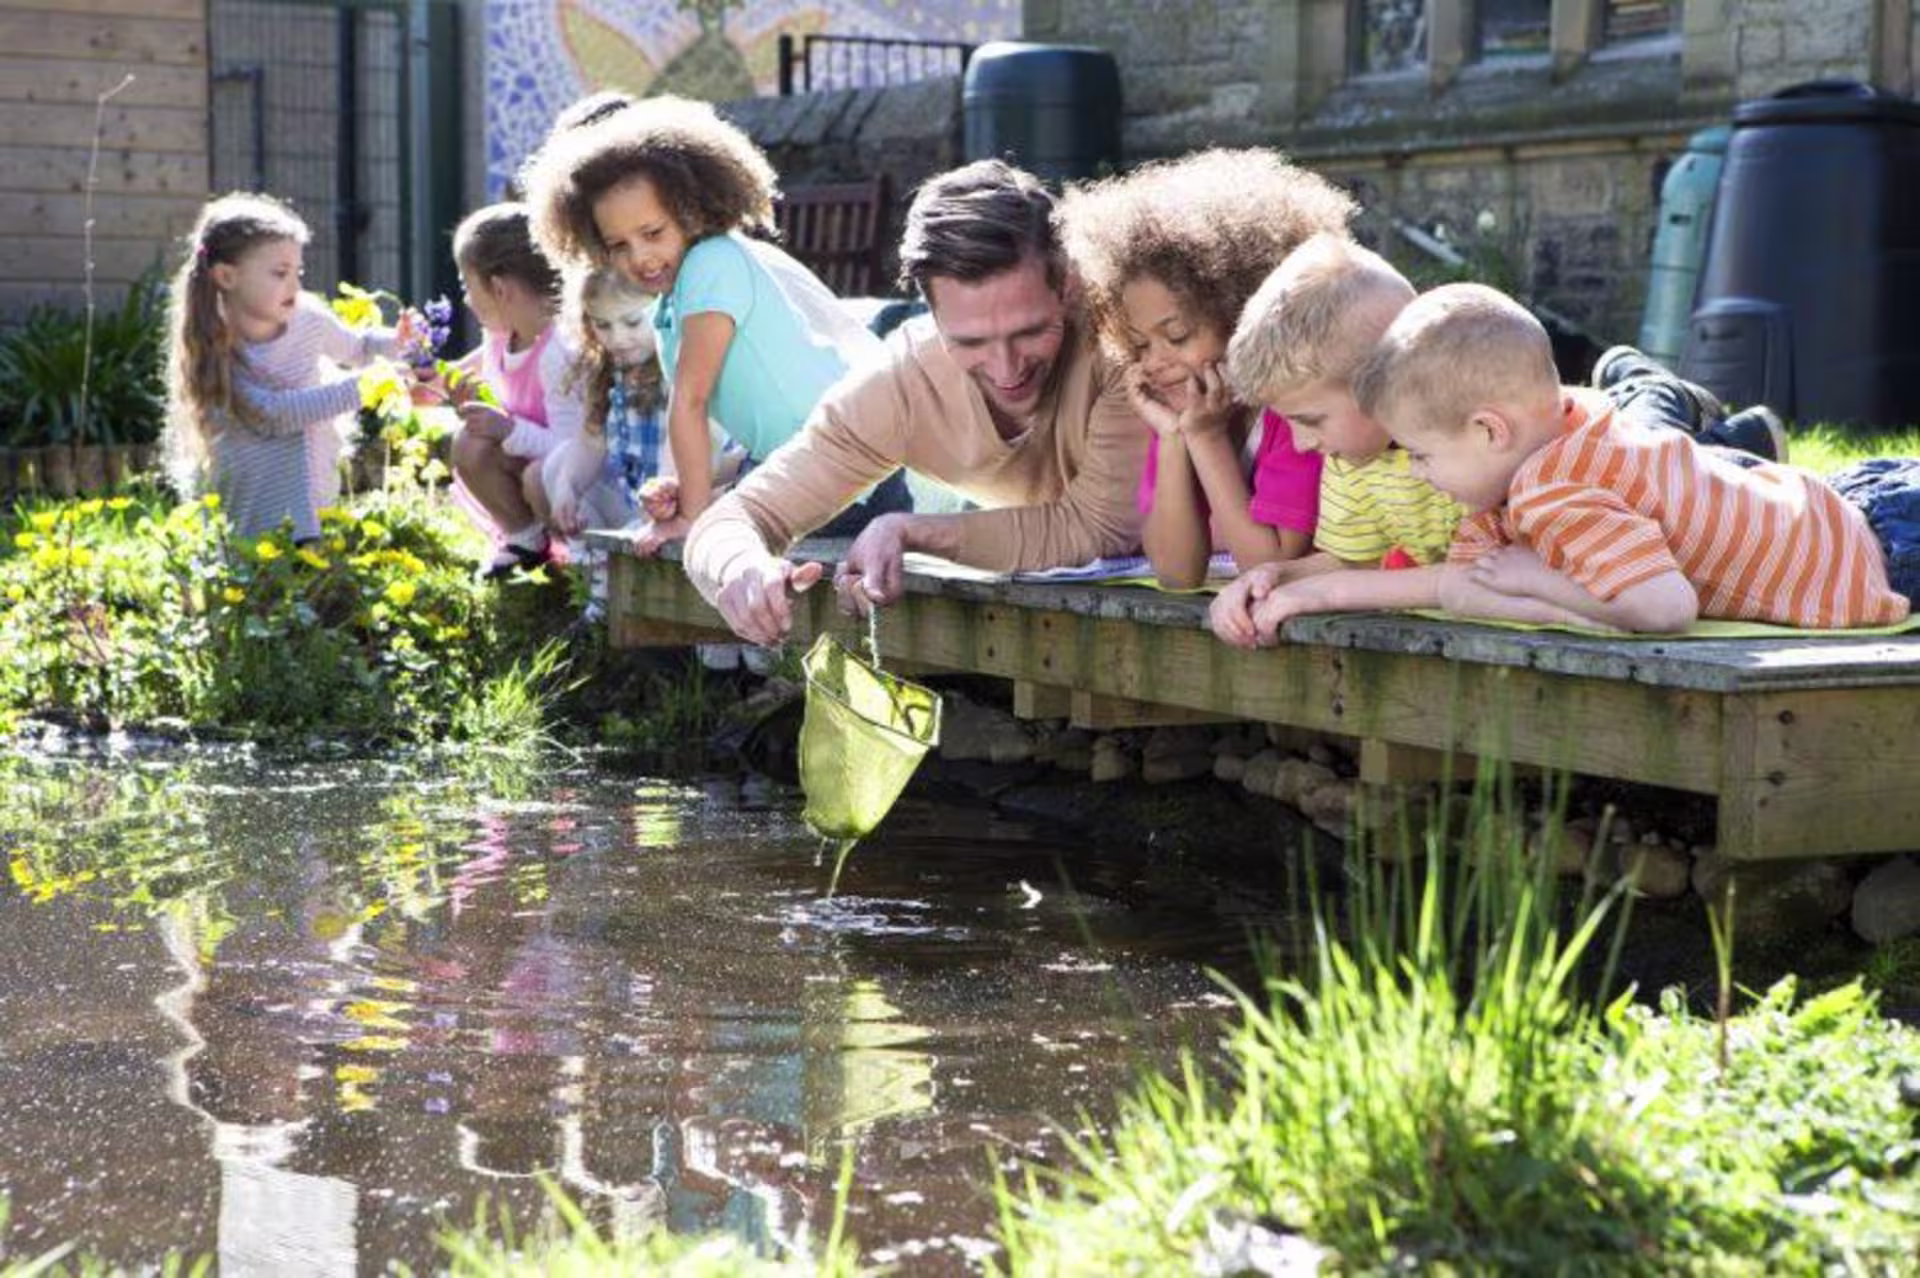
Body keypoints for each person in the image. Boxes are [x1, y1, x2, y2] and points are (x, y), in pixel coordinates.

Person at [678, 159, 1153, 646]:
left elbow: (1102, 529)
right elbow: (735, 519)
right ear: (930, 312)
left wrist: (914, 531)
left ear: (1068, 284)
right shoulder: (901, 383)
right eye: (970, 342)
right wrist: (741, 568)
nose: (1006, 368)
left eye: (1030, 331)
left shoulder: (1125, 341)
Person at [1289, 282, 1909, 632]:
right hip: (1853, 503)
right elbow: (1464, 586)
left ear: (1488, 430)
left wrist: (1541, 580)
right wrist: (1315, 593)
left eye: (1421, 455)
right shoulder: (1571, 423)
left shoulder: (1552, 491)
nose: (1419, 472)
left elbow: (1667, 609)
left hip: (1892, 556)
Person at [521, 94, 909, 556]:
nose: (639, 257)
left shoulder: (712, 264)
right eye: (618, 245)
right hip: (816, 465)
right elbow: (762, 427)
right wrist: (690, 487)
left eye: (653, 234)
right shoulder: (673, 299)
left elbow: (691, 401)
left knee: (723, 556)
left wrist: (693, 515)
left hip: (847, 472)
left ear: (691, 211)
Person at [1057, 149, 1354, 588]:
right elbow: (1176, 573)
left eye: (1176, 336)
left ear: (1244, 311)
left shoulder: (1298, 414)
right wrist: (1177, 437)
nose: (1155, 362)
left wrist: (1207, 438)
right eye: (1139, 344)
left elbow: (1268, 565)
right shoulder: (1188, 410)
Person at [1208, 234, 1466, 648]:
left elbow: (1488, 576)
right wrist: (1273, 578)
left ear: (1383, 381)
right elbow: (1356, 557)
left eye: (1311, 420)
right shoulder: (1353, 461)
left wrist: (1323, 593)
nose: (1302, 443)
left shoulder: (1470, 446)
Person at [162, 192, 410, 542]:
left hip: (312, 471)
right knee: (263, 567)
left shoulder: (308, 319)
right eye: (280, 273)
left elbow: (359, 348)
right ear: (227, 277)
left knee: (313, 563)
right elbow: (272, 414)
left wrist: (400, 342)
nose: (295, 285)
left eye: (298, 271)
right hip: (255, 491)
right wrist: (366, 387)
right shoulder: (214, 342)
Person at [541, 267, 742, 620]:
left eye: (633, 322)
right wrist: (565, 488)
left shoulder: (681, 367)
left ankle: (646, 598)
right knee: (558, 465)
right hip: (634, 497)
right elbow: (590, 442)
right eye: (603, 325)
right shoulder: (607, 370)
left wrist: (661, 509)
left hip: (685, 500)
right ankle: (598, 581)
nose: (618, 337)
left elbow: (689, 454)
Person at [443, 202, 586, 577]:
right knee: (469, 444)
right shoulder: (503, 331)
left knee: (537, 478)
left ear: (499, 288)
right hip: (532, 457)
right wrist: (440, 379)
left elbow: (574, 452)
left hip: (575, 476)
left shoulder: (561, 352)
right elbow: (481, 362)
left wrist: (507, 430)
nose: (465, 299)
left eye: (466, 285)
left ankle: (583, 564)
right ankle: (526, 540)